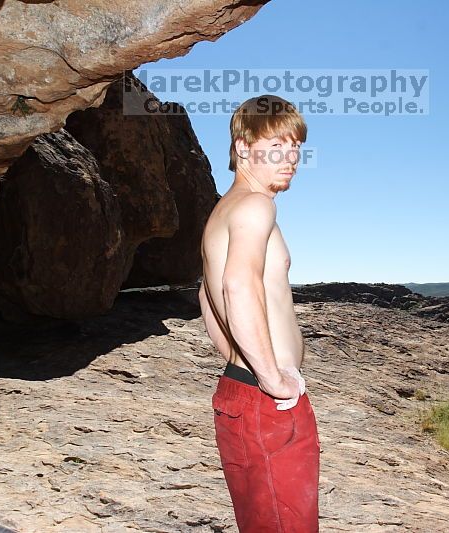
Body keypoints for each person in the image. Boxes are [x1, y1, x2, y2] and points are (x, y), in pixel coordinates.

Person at [198, 94, 320, 533]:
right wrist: (271, 377)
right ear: (243, 147)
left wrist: (236, 363)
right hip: (266, 401)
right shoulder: (256, 206)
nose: (291, 159)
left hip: (239, 393)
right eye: (278, 146)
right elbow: (236, 287)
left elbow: (206, 298)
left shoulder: (223, 211)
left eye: (296, 148)